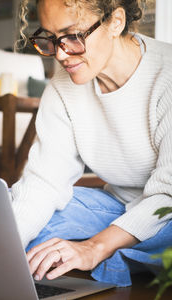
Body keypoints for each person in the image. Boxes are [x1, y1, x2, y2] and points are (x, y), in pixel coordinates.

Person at [12, 0, 172, 286]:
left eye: (72, 36)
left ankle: (113, 254)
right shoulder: (62, 88)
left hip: (168, 213)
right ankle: (124, 256)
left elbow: (168, 197)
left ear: (116, 22)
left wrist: (94, 246)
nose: (60, 54)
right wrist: (5, 253)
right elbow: (44, 184)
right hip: (118, 206)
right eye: (50, 37)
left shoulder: (167, 76)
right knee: (13, 222)